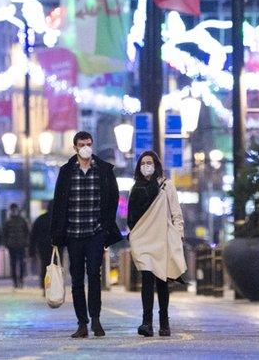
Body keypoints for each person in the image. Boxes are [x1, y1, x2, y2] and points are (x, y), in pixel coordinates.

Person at [50, 131, 122, 338]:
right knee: (77, 279)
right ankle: (82, 322)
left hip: (95, 231)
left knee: (94, 273)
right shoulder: (66, 172)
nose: (86, 147)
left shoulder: (103, 170)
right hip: (73, 232)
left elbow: (113, 198)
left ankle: (96, 320)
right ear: (75, 148)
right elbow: (59, 203)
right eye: (82, 144)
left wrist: (106, 225)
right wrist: (56, 233)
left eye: (89, 144)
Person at [127, 151, 186, 338]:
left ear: (156, 164)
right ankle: (147, 323)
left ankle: (164, 322)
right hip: (143, 240)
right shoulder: (135, 188)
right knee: (146, 279)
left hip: (162, 240)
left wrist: (177, 235)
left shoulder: (166, 186)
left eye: (149, 162)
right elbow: (131, 216)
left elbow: (176, 213)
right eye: (143, 163)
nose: (146, 165)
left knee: (161, 281)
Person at [2, 203, 30, 289]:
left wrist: (26, 242)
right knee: (14, 264)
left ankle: (20, 280)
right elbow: (4, 234)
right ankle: (15, 281)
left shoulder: (22, 221)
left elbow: (27, 232)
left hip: (20, 245)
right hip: (13, 246)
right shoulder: (9, 222)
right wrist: (6, 243)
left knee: (21, 263)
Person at [29, 202, 54, 291]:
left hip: (43, 248)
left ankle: (45, 286)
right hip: (56, 248)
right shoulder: (58, 219)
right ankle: (54, 286)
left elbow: (33, 235)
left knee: (45, 267)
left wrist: (31, 250)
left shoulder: (41, 219)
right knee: (56, 268)